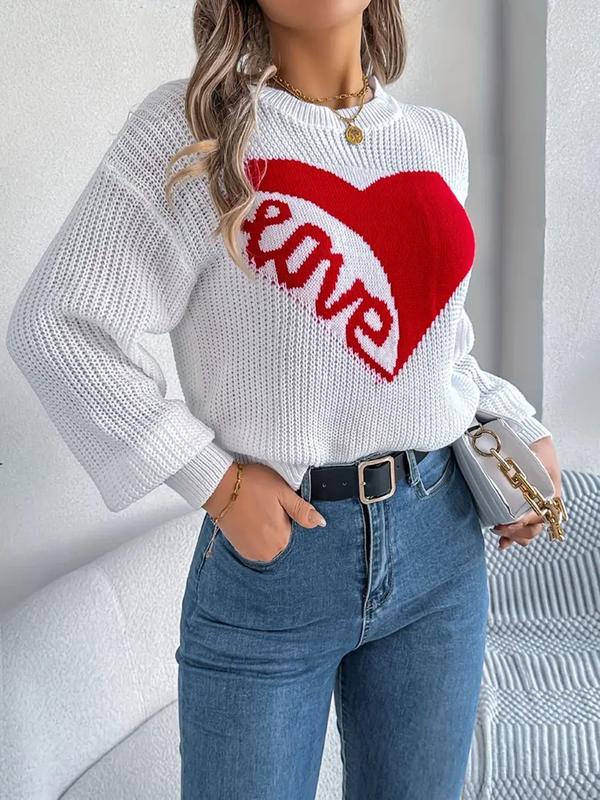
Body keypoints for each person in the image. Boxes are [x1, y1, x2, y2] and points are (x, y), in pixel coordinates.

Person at [6, 1, 563, 798]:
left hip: (441, 547)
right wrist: (218, 484)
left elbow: (442, 348)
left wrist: (513, 425)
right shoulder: (191, 131)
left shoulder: (436, 140)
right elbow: (58, 324)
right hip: (279, 565)